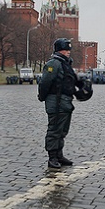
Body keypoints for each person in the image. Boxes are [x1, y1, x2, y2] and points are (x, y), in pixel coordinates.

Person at [38, 38, 81, 169]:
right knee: (54, 130)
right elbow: (45, 82)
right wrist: (42, 96)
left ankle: (59, 154)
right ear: (58, 50)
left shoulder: (65, 64)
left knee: (62, 130)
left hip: (65, 102)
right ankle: (52, 157)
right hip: (56, 102)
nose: (68, 52)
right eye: (65, 49)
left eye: (69, 49)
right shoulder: (54, 64)